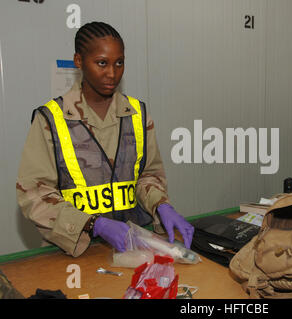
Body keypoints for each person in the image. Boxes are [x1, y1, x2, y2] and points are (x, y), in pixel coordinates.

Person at [16, 22, 194, 257]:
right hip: (73, 250)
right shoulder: (51, 119)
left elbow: (147, 175)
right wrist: (94, 224)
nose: (112, 73)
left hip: (135, 245)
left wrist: (161, 205)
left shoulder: (137, 114)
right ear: (79, 61)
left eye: (119, 62)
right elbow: (34, 195)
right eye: (102, 63)